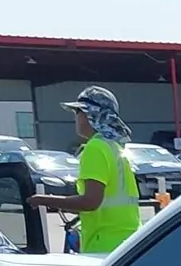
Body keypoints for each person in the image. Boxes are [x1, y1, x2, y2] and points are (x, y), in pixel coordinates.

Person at [28, 86, 139, 255]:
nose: (76, 118)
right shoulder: (114, 147)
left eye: (78, 112)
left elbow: (90, 202)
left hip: (103, 246)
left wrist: (44, 200)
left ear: (91, 115)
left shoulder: (95, 148)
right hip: (127, 243)